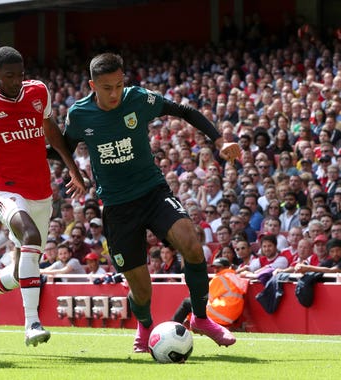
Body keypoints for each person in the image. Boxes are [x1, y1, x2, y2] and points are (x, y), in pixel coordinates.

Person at [63, 53, 240, 352]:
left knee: (192, 245)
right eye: (107, 87)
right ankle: (145, 323)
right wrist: (73, 171)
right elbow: (63, 148)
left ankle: (199, 318)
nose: (115, 93)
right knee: (141, 290)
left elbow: (183, 110)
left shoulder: (138, 99)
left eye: (119, 85)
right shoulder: (79, 115)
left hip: (153, 192)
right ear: (93, 85)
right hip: (118, 206)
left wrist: (220, 141)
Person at [0, 46, 85, 346]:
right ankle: (32, 324)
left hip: (41, 192)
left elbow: (51, 130)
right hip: (5, 191)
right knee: (31, 236)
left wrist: (73, 169)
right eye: (9, 77)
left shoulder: (38, 92)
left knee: (26, 268)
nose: (16, 82)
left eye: (20, 75)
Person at [172, 258, 248, 327]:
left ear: (227, 267)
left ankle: (171, 325)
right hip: (233, 316)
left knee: (187, 302)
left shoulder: (220, 278)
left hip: (221, 313)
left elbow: (204, 297)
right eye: (215, 267)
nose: (216, 270)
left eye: (219, 267)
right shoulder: (234, 276)